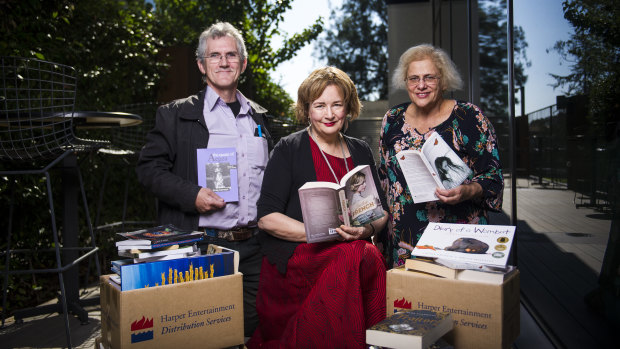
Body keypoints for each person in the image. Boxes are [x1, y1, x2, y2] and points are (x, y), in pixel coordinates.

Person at [136, 22, 273, 337]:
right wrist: (191, 194)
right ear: (201, 64)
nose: (224, 62)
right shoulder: (175, 115)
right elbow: (148, 169)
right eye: (215, 56)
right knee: (203, 334)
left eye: (231, 55)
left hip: (255, 248)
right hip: (201, 246)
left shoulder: (260, 118)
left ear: (243, 62)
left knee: (250, 331)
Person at [247, 66, 389, 348]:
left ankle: (374, 340)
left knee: (366, 251)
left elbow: (381, 212)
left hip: (351, 248)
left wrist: (365, 230)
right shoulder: (289, 148)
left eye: (337, 104)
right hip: (301, 255)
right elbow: (266, 218)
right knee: (355, 254)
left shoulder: (360, 149)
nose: (329, 114)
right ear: (307, 109)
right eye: (320, 105)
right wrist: (325, 233)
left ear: (348, 107)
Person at [377, 44, 504, 267]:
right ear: (405, 82)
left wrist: (467, 191)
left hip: (457, 240)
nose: (421, 85)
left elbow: (492, 177)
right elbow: (384, 179)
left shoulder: (469, 117)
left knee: (452, 301)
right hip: (404, 240)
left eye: (429, 78)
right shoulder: (392, 120)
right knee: (407, 300)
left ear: (443, 81)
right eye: (413, 78)